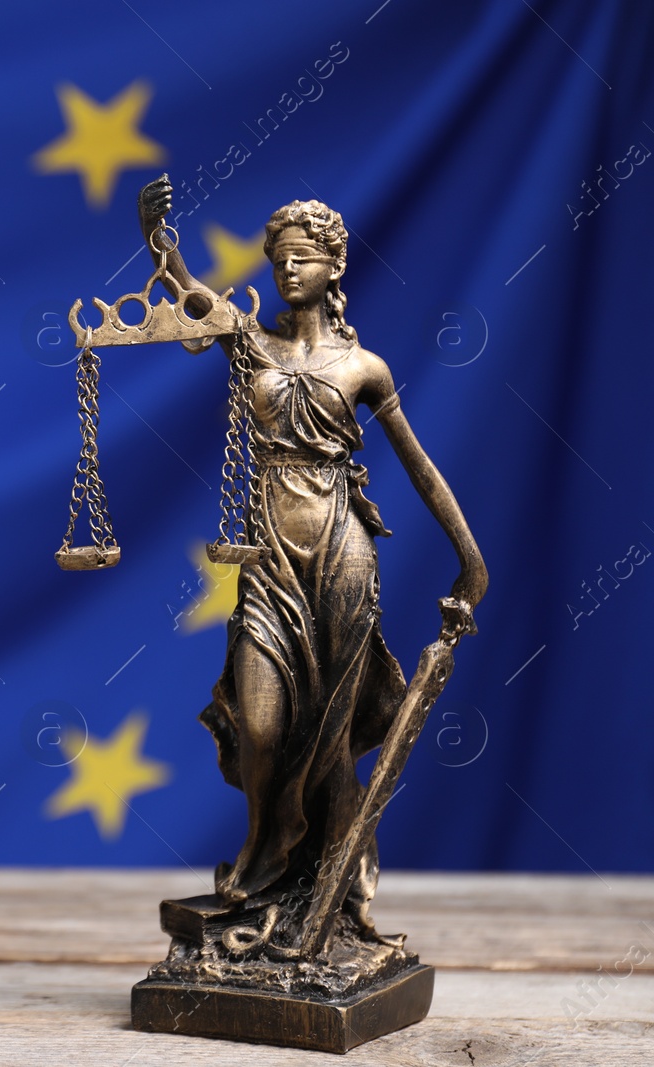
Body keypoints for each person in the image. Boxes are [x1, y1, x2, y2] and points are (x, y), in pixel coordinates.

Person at [136, 174, 487, 943]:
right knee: (261, 725)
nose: (287, 270)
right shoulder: (251, 343)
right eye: (279, 259)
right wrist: (160, 240)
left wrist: (472, 560)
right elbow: (191, 294)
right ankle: (264, 867)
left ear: (335, 267)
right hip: (268, 560)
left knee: (330, 739)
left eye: (303, 258)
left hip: (340, 556)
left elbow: (421, 466)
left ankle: (327, 890)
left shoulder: (366, 369)